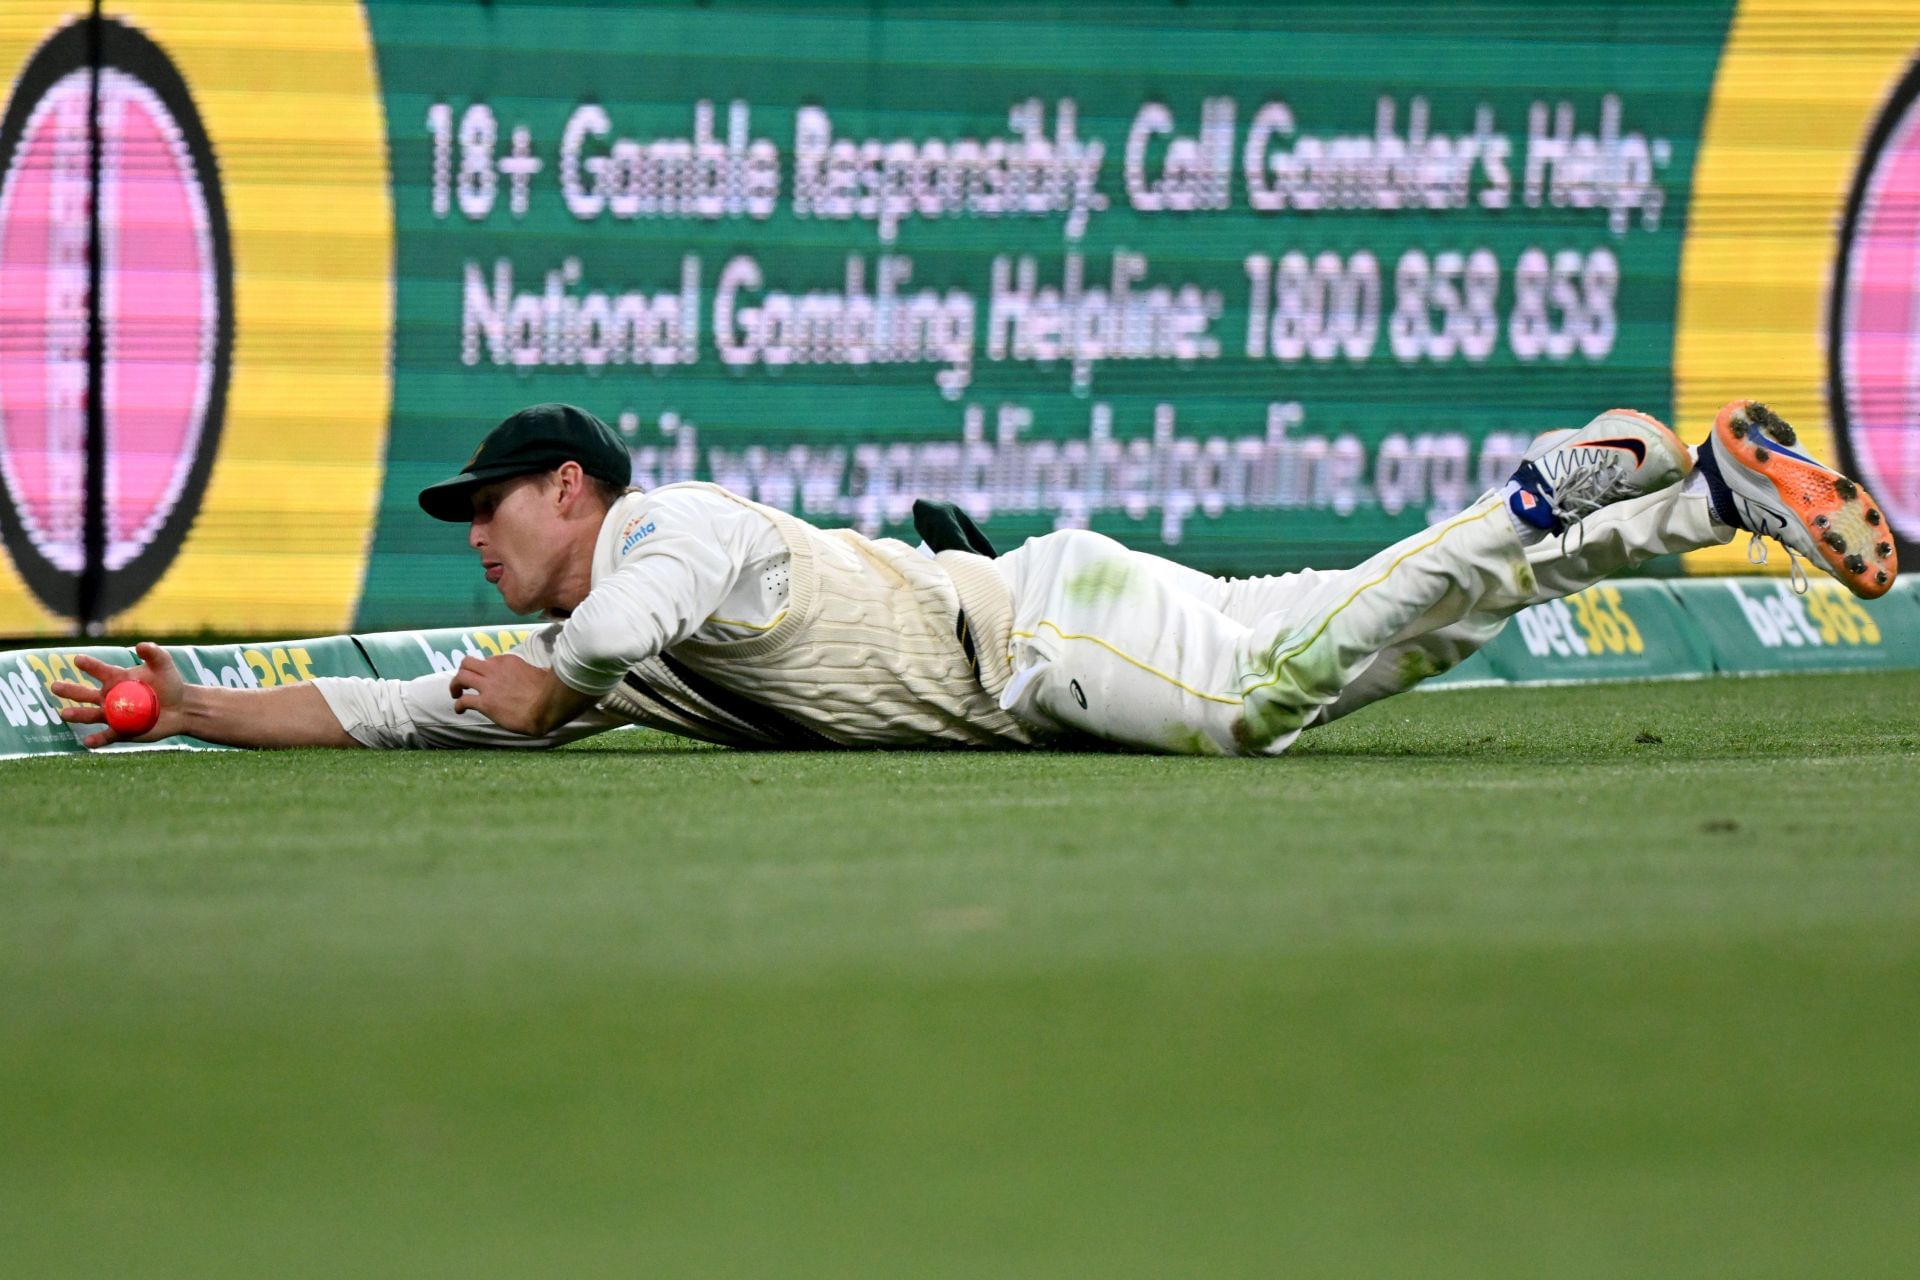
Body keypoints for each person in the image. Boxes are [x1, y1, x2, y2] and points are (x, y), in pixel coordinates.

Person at [53, 400, 1897, 757]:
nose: (478, 542)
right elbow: (395, 702)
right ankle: (1691, 500)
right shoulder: (600, 623)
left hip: (1038, 648)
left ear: (571, 486)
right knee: (1366, 645)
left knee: (1279, 699)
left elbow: (603, 636)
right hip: (1045, 611)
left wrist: (553, 682)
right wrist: (188, 705)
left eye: (493, 511)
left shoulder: (670, 528)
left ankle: (1551, 491)